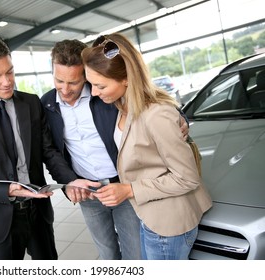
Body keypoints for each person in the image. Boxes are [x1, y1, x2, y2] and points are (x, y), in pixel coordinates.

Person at [0, 36, 99, 260]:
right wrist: (6, 190)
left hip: (38, 212)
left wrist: (70, 180)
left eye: (9, 72)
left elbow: (48, 151)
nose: (7, 81)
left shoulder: (30, 103)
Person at [41, 39, 189, 260]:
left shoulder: (105, 92)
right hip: (88, 192)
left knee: (136, 253)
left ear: (86, 73)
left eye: (73, 82)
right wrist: (69, 182)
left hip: (123, 184)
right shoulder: (46, 104)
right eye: (58, 80)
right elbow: (50, 150)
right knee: (107, 253)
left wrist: (180, 118)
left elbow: (145, 98)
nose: (65, 89)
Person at [81, 33, 212, 260]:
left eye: (99, 85)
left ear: (127, 79)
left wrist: (129, 189)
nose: (93, 92)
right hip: (149, 215)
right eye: (90, 84)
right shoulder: (122, 106)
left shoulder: (157, 115)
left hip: (168, 225)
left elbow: (187, 178)